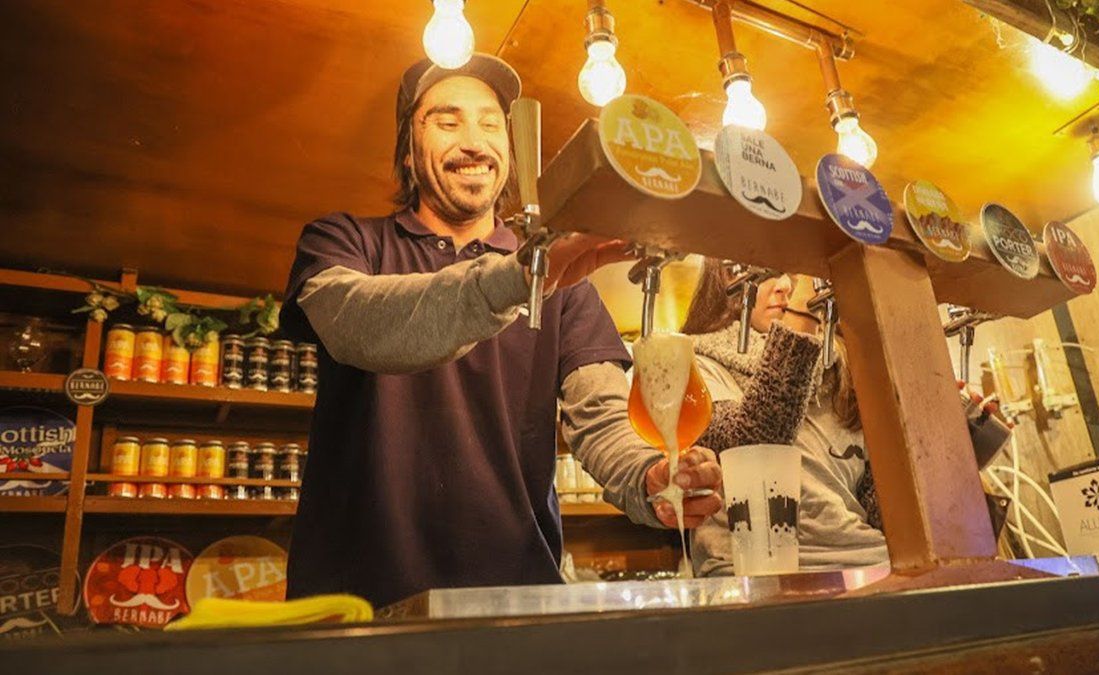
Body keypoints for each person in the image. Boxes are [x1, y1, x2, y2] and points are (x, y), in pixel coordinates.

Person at [279, 54, 722, 607]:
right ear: (409, 154)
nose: (473, 142)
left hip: (514, 602)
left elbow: (602, 412)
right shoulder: (345, 241)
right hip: (358, 603)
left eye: (492, 124)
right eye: (446, 121)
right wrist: (517, 278)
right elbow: (356, 324)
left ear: (510, 155)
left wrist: (649, 474)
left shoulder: (562, 280)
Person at [680, 259, 888, 575]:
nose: (786, 286)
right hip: (751, 575)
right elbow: (752, 445)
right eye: (770, 271)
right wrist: (801, 323)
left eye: (794, 274)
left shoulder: (843, 371)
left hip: (870, 564)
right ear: (726, 275)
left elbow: (878, 502)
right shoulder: (695, 364)